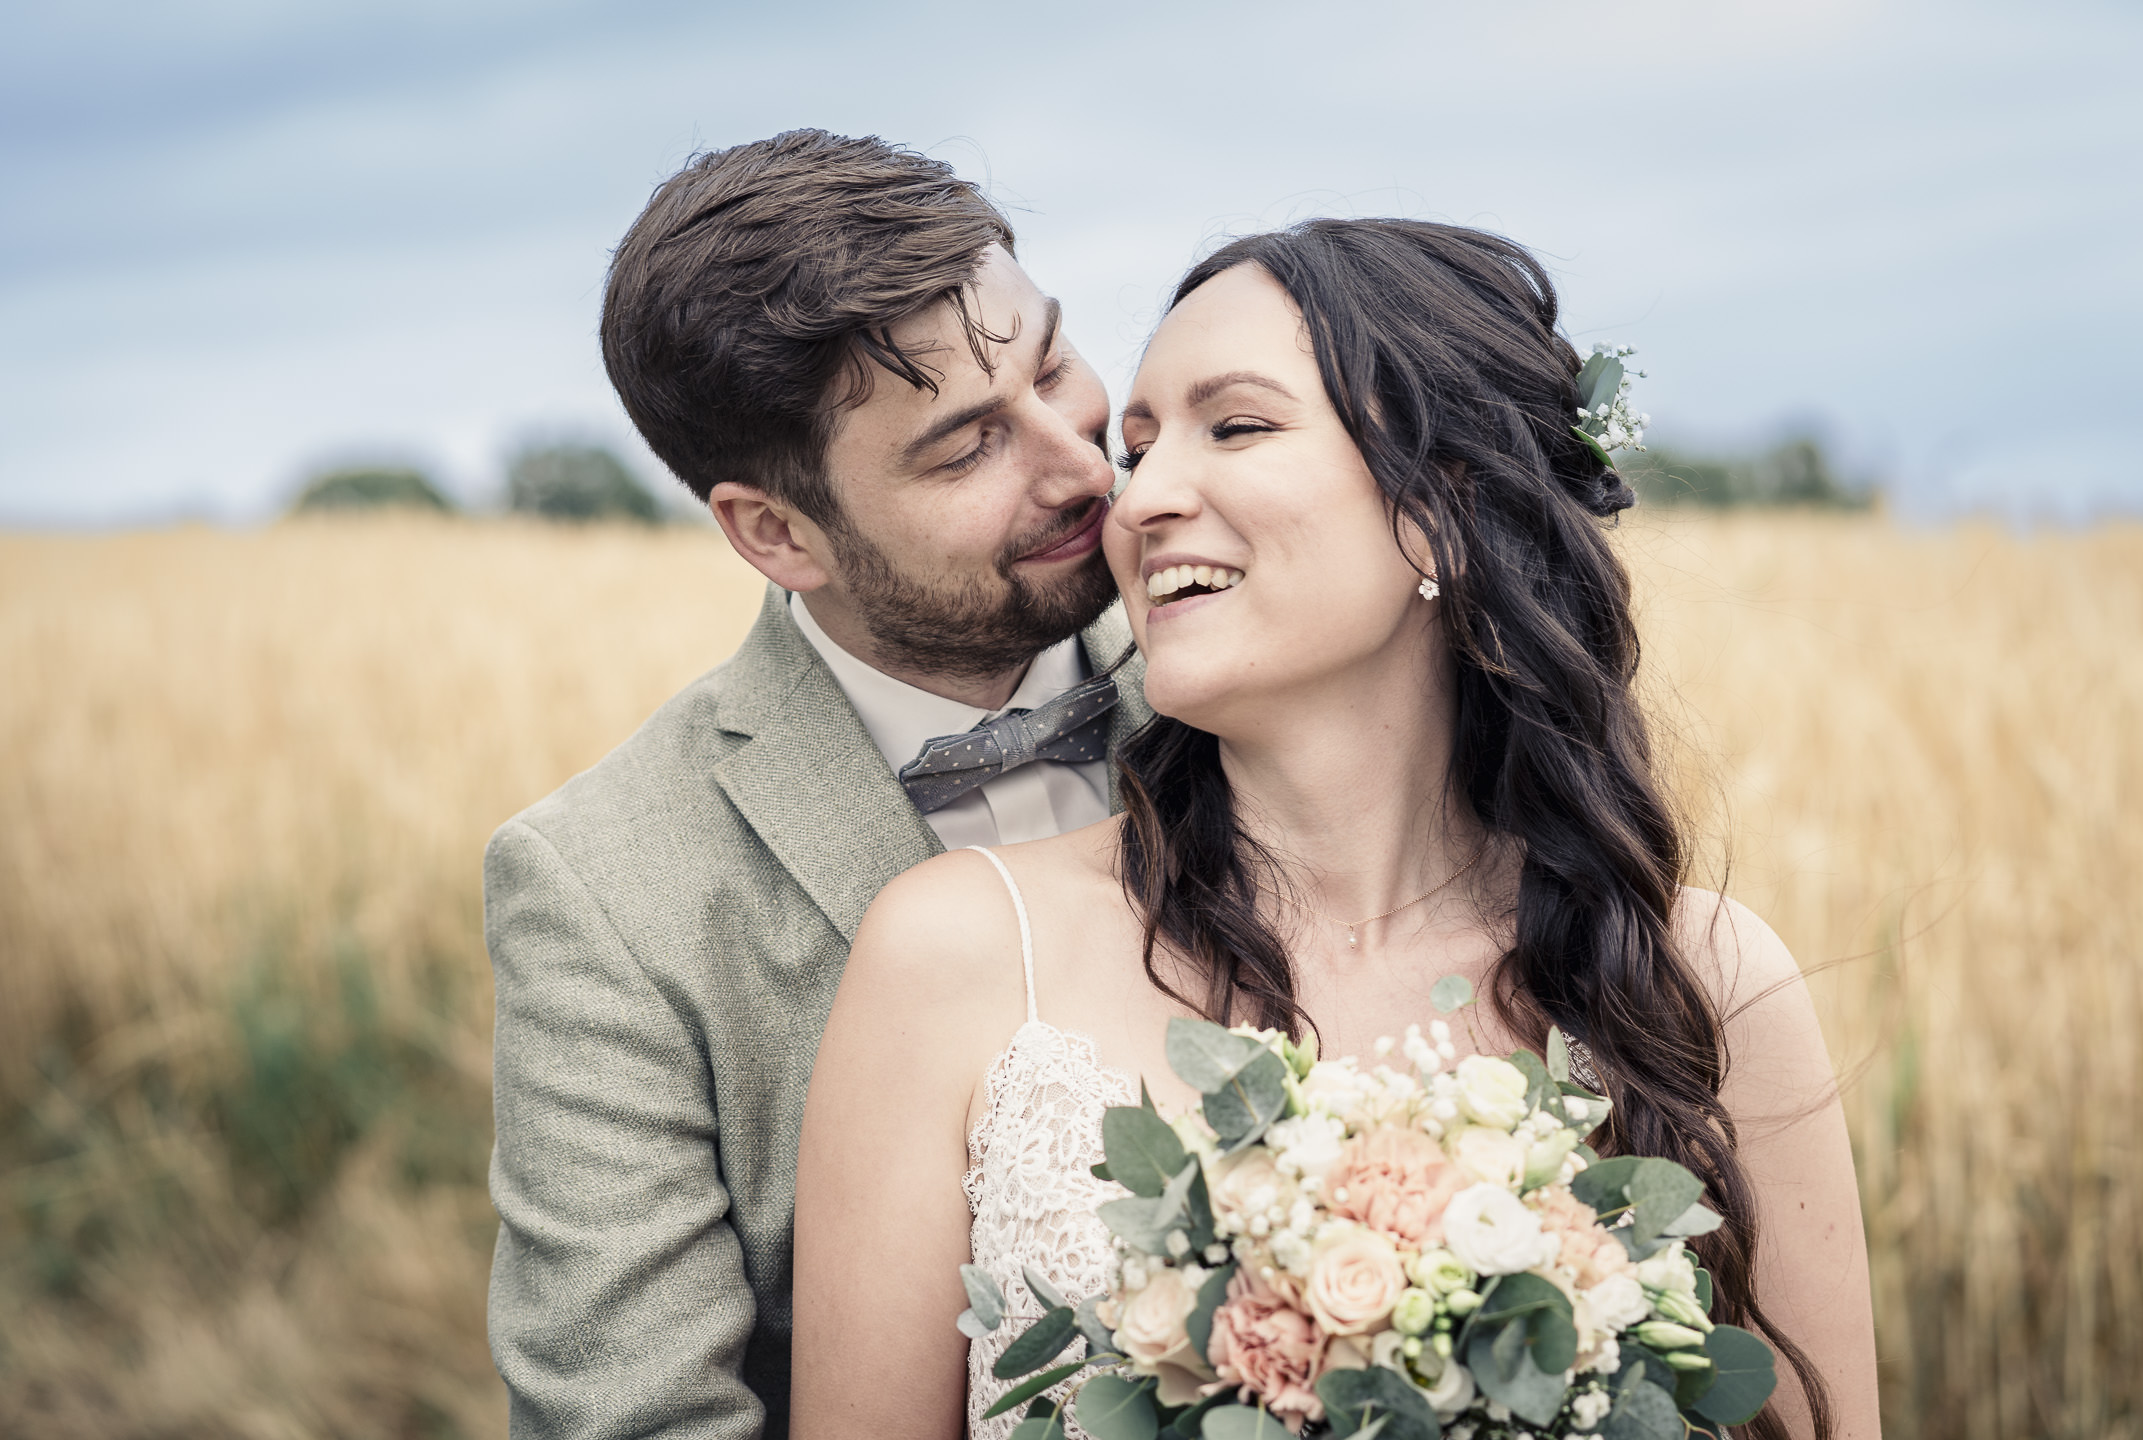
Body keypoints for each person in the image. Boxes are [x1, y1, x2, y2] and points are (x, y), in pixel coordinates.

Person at [793, 219, 1880, 1439]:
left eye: (1238, 425)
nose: (1138, 497)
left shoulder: (1706, 982)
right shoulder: (958, 956)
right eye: (1136, 446)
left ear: (1444, 506)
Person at [483, 129, 1148, 1440]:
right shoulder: (601, 886)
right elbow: (635, 1414)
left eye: (1054, 363)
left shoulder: (1263, 676)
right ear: (776, 533)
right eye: (965, 449)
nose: (1081, 466)